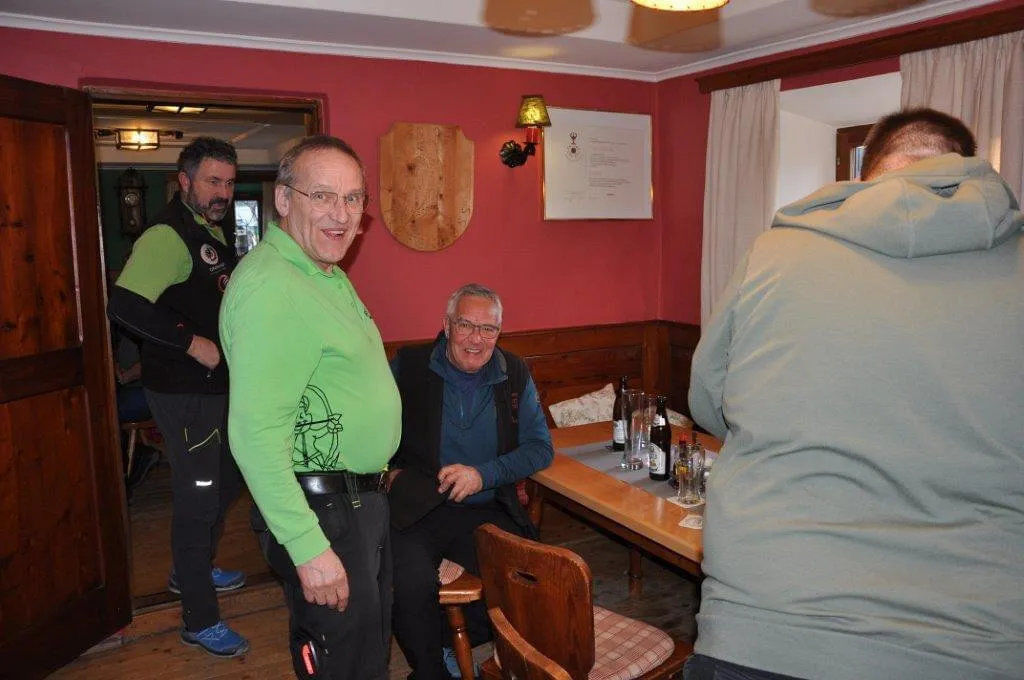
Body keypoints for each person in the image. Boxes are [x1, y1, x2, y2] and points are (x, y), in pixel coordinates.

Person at [686, 108, 1024, 680]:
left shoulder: (775, 254)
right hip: (980, 634)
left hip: (773, 616)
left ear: (869, 170)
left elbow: (710, 403)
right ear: (968, 166)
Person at [219, 135, 400, 680]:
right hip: (323, 513)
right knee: (344, 663)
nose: (340, 214)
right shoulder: (272, 286)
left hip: (355, 503)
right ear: (283, 199)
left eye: (353, 199)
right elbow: (254, 435)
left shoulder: (320, 271)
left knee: (367, 658)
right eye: (322, 195)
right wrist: (308, 548)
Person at [107, 137, 248, 658]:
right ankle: (199, 618)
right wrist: (191, 343)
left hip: (217, 389)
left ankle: (191, 567)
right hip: (184, 391)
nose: (222, 192)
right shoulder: (167, 235)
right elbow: (123, 304)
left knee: (231, 476)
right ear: (184, 181)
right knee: (198, 497)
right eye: (212, 181)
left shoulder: (209, 230)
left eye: (228, 182)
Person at [388, 283, 554, 680]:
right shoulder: (409, 366)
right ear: (447, 326)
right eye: (465, 325)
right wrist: (386, 470)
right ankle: (431, 671)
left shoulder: (513, 372)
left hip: (486, 507)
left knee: (529, 578)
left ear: (499, 332)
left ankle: (452, 643)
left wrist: (483, 475)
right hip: (419, 508)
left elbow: (540, 448)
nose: (476, 339)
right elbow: (371, 429)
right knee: (408, 584)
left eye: (488, 329)